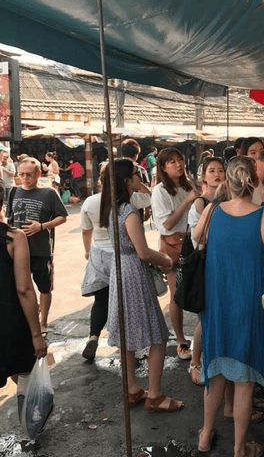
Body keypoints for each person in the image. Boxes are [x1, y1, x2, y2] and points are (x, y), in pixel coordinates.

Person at [195, 156, 264, 457]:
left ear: (228, 181)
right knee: (244, 379)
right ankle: (240, 449)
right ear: (255, 181)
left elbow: (196, 239)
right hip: (250, 305)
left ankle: (205, 436)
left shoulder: (211, 212)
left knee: (216, 369)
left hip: (217, 305)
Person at [99, 158, 183, 412]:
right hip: (133, 273)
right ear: (126, 180)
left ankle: (133, 389)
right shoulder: (127, 211)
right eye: (136, 175)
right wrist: (166, 259)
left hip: (120, 271)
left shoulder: (112, 208)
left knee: (128, 336)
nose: (140, 178)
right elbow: (144, 252)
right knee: (158, 335)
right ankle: (155, 396)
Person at [7, 157, 68, 334]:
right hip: (17, 252)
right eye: (22, 174)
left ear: (38, 174)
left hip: (41, 250)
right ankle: (28, 319)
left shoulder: (49, 193)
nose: (25, 178)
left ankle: (43, 323)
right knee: (22, 288)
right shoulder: (12, 192)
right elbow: (9, 218)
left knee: (44, 287)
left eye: (29, 175)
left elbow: (62, 217)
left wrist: (41, 226)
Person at [151, 148, 201, 360]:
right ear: (163, 167)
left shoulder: (189, 185)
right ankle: (181, 341)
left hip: (194, 243)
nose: (178, 165)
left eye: (180, 159)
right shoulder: (160, 191)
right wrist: (187, 200)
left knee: (200, 288)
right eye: (172, 162)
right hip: (173, 245)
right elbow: (166, 225)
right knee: (176, 294)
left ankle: (203, 334)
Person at [0, 179, 48, 389]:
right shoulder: (13, 237)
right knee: (23, 380)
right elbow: (24, 289)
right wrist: (37, 335)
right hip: (9, 320)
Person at [187, 157, 225, 386]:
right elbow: (206, 236)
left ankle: (213, 358)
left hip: (219, 264)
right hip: (204, 265)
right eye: (212, 171)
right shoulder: (202, 203)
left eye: (221, 170)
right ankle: (195, 362)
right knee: (206, 318)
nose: (217, 174)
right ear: (204, 177)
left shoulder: (226, 199)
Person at [80, 164, 113, 360]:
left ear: (100, 180)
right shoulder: (127, 200)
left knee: (101, 300)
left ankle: (93, 336)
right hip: (122, 255)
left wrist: (86, 251)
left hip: (99, 253)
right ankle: (125, 341)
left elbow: (86, 231)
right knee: (124, 301)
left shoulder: (90, 202)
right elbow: (147, 195)